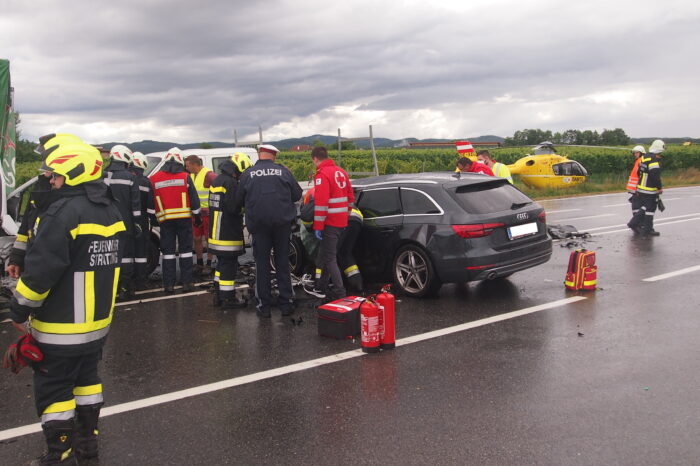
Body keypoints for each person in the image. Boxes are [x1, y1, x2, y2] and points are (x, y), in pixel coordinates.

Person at [8, 139, 124, 464]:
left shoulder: (62, 213)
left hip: (60, 326)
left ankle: (59, 454)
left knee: (55, 392)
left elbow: (42, 272)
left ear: (72, 174)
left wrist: (18, 309)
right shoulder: (110, 209)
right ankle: (88, 445)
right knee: (87, 382)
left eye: (56, 176)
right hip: (96, 327)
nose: (51, 181)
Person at [232, 144, 302, 318]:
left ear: (259, 154)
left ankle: (264, 306)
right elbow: (297, 195)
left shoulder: (248, 174)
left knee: (262, 265)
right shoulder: (284, 172)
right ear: (274, 156)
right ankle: (286, 304)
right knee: (282, 264)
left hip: (259, 227)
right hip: (282, 226)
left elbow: (238, 200)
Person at [6, 134, 81, 279]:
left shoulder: (72, 198)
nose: (45, 164)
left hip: (56, 275)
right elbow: (26, 227)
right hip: (35, 265)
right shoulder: (41, 186)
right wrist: (16, 258)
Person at [150, 147, 202, 293]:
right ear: (180, 160)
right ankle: (187, 283)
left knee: (168, 253)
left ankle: (168, 285)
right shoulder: (185, 177)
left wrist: (153, 218)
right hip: (184, 220)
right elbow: (194, 200)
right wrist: (197, 217)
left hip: (165, 221)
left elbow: (150, 201)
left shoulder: (153, 179)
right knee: (185, 251)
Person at [309, 146, 354, 300]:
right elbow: (350, 197)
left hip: (330, 223)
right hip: (342, 222)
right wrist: (345, 215)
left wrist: (318, 226)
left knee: (330, 258)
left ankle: (340, 292)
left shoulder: (322, 175)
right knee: (328, 254)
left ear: (315, 159)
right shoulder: (341, 172)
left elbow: (321, 204)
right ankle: (321, 287)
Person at [209, 153, 252, 308]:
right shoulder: (231, 183)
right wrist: (245, 207)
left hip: (216, 231)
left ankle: (218, 293)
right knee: (229, 265)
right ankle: (228, 299)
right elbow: (234, 208)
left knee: (221, 263)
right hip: (227, 231)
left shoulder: (217, 180)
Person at [104, 145, 141, 300]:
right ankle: (125, 287)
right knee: (126, 256)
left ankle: (109, 288)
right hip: (125, 223)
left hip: (105, 223)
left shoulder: (102, 175)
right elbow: (135, 205)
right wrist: (138, 223)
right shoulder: (130, 177)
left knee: (108, 256)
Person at [185, 155, 217, 275]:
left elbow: (220, 186)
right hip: (196, 213)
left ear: (194, 164)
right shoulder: (191, 175)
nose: (187, 168)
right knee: (197, 238)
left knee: (209, 239)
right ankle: (199, 263)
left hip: (207, 213)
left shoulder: (209, 174)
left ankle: (208, 264)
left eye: (188, 166)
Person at [130, 152, 156, 289]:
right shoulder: (145, 182)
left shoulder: (126, 178)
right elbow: (151, 206)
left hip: (125, 220)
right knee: (141, 252)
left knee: (127, 252)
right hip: (142, 221)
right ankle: (140, 281)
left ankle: (126, 281)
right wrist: (154, 220)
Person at [633, 139, 664, 236]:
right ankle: (638, 226)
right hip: (649, 190)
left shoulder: (644, 158)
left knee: (644, 208)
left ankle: (643, 227)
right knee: (650, 209)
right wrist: (659, 188)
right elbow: (655, 175)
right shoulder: (653, 160)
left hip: (641, 188)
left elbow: (639, 173)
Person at [625, 145, 645, 234]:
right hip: (634, 190)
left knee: (636, 208)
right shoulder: (637, 161)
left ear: (641, 153)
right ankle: (638, 225)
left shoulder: (641, 161)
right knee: (636, 208)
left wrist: (638, 189)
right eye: (634, 153)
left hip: (637, 190)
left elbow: (641, 176)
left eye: (636, 153)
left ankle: (637, 225)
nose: (635, 154)